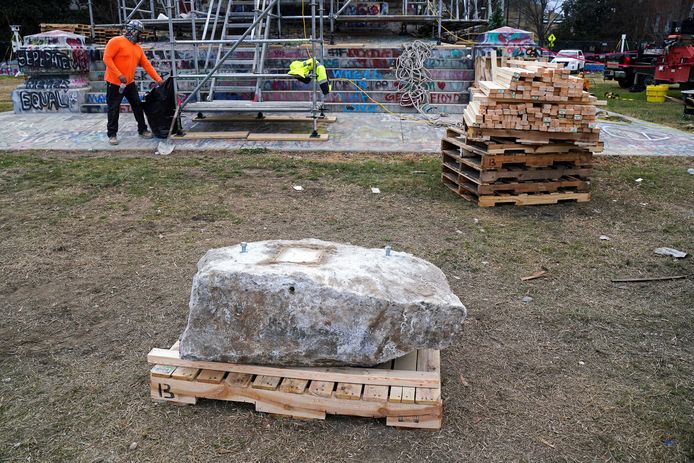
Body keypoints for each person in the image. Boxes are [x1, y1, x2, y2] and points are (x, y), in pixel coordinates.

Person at [103, 20, 163, 145]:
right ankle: (112, 134)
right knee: (113, 109)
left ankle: (142, 130)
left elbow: (147, 65)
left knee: (138, 105)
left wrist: (158, 80)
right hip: (114, 83)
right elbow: (107, 58)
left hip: (129, 83)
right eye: (139, 33)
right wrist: (119, 75)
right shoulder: (116, 41)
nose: (141, 36)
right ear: (133, 31)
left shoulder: (138, 48)